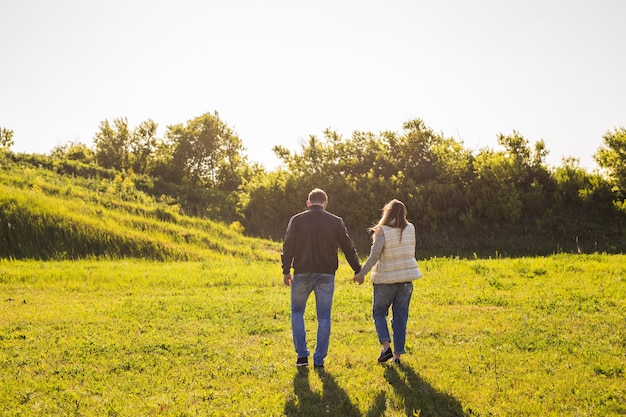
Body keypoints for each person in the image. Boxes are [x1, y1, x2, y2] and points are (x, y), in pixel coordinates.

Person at [281, 188, 362, 368]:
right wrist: (358, 269)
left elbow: (288, 246)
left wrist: (286, 270)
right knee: (324, 317)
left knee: (297, 313)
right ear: (325, 203)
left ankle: (302, 356)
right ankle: (319, 360)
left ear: (308, 203)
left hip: (302, 272)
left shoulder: (297, 220)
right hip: (326, 275)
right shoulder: (336, 221)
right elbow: (348, 247)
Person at [353, 199, 422, 364]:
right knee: (400, 318)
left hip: (385, 280)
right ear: (403, 213)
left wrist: (361, 273)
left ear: (387, 212)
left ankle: (385, 347)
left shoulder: (382, 231)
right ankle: (397, 356)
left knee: (379, 313)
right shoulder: (410, 228)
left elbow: (374, 255)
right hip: (406, 280)